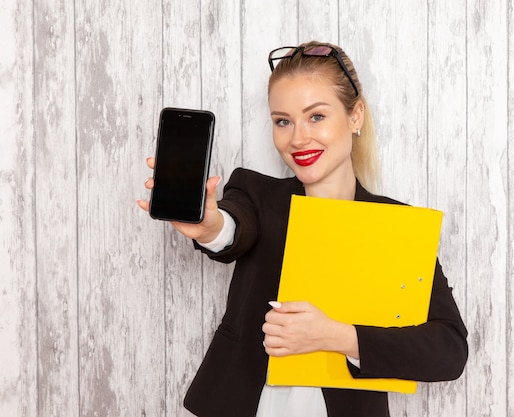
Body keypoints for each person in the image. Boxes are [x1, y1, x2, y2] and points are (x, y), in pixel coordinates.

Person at [137, 41, 468, 417]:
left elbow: (449, 350)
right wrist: (211, 225)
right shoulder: (256, 194)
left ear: (355, 116)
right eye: (283, 121)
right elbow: (236, 227)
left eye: (316, 117)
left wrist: (336, 336)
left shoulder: (397, 226)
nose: (297, 138)